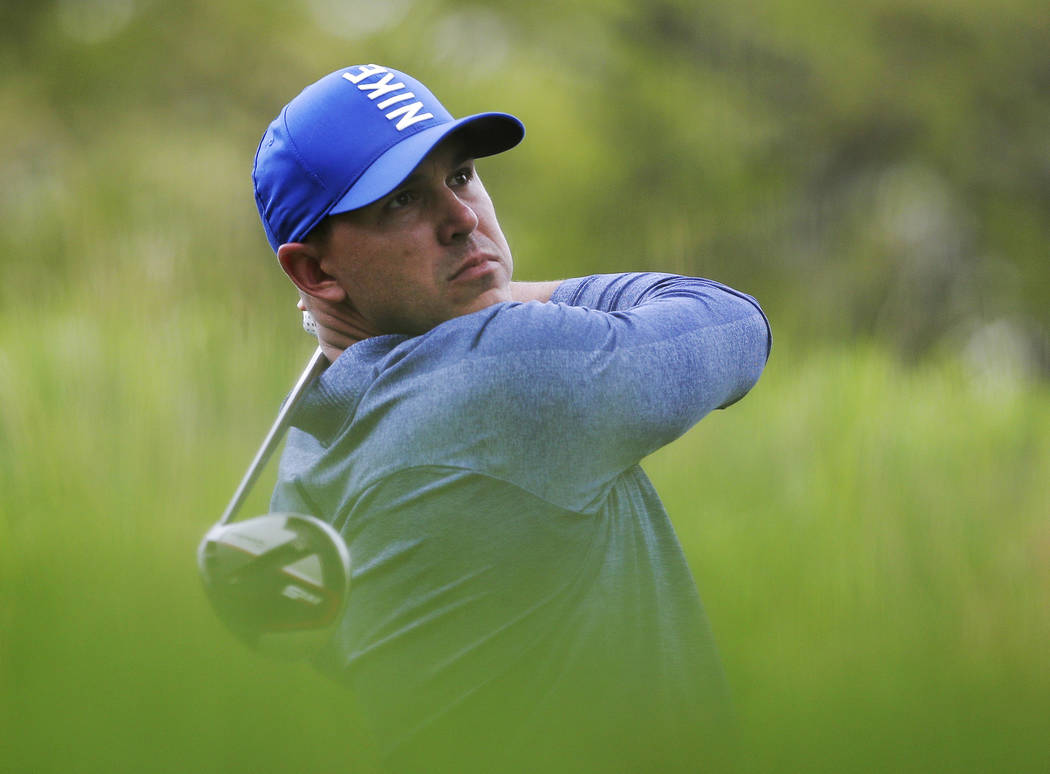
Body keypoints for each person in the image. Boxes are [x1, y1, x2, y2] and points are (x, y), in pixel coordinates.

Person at [252, 64, 771, 773]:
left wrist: (477, 292)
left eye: (460, 175)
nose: (463, 219)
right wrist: (507, 296)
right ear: (314, 273)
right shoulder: (506, 374)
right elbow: (734, 325)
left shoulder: (315, 444)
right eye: (402, 200)